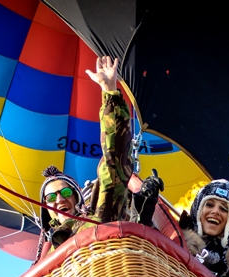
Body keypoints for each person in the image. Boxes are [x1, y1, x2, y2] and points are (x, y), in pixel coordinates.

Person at [34, 56, 163, 262]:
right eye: (50, 198)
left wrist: (109, 91)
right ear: (47, 211)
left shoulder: (98, 220)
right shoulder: (43, 257)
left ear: (77, 200)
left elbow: (114, 162)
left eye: (65, 192)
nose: (59, 200)